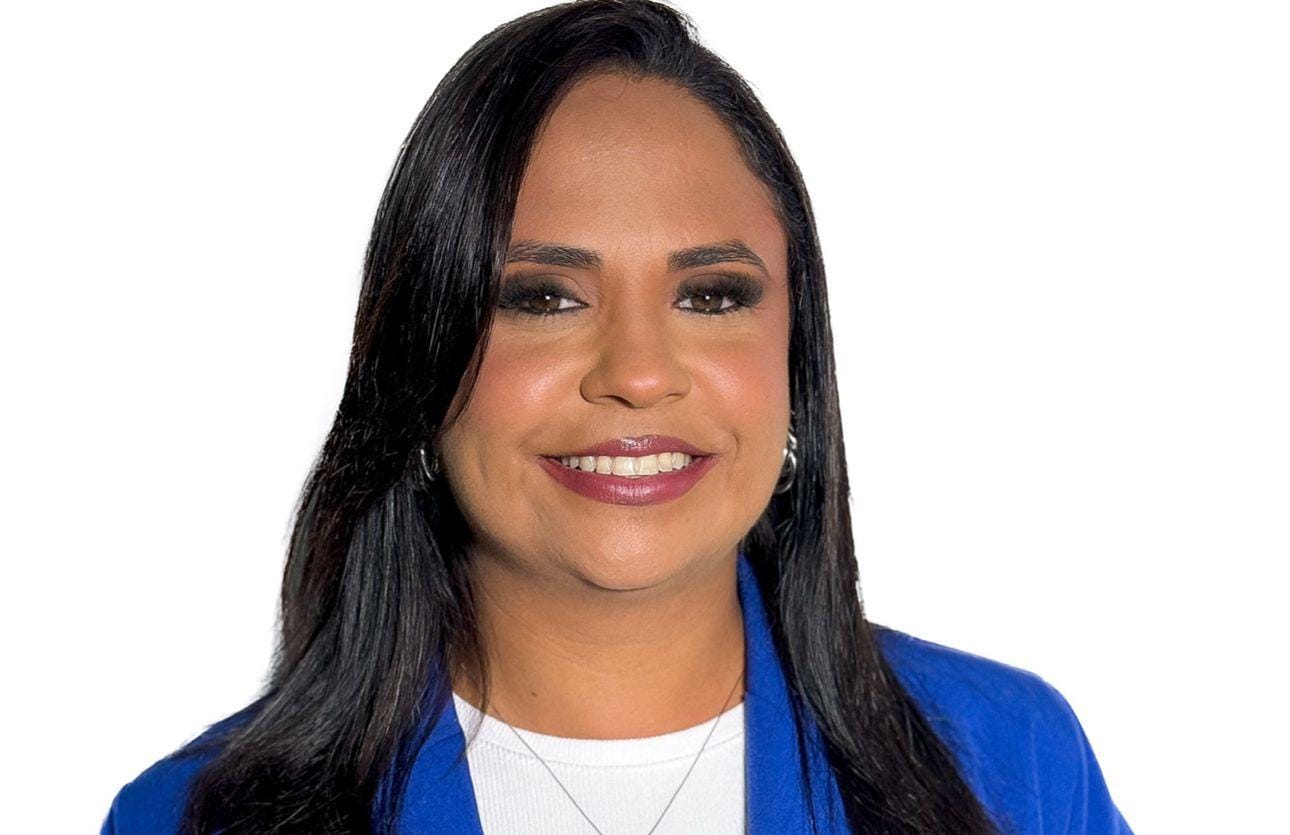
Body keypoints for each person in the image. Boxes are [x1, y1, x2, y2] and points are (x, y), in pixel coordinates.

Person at [100, 1, 1133, 833]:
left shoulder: (1010, 764)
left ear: (794, 359)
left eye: (711, 295)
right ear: (420, 363)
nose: (638, 374)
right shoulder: (192, 817)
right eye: (543, 298)